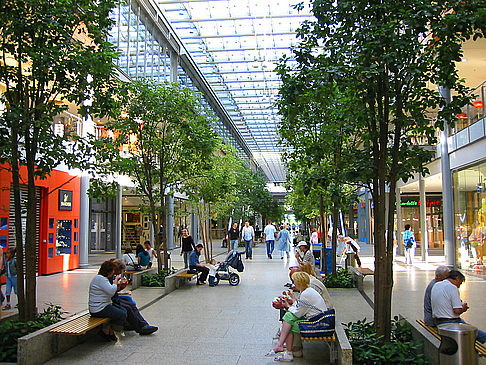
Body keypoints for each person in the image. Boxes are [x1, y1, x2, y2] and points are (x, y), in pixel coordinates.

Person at [268, 272, 327, 362]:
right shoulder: (307, 291)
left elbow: (298, 313)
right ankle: (286, 350)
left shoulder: (306, 294)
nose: (293, 284)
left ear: (299, 283)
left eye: (294, 282)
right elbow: (300, 307)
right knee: (290, 320)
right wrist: (291, 300)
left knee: (289, 319)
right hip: (318, 318)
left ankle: (284, 348)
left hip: (316, 322)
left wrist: (287, 305)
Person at [431, 269, 486, 343]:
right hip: (450, 322)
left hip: (438, 321)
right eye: (460, 283)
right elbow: (457, 311)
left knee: (468, 326)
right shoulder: (452, 287)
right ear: (457, 279)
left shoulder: (437, 285)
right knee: (482, 336)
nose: (459, 286)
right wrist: (464, 308)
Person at [110, 259, 158, 335]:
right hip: (109, 301)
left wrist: (121, 289)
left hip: (112, 298)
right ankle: (139, 328)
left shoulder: (111, 277)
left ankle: (142, 324)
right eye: (120, 271)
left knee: (130, 303)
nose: (120, 273)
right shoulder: (108, 278)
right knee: (128, 307)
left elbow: (112, 292)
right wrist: (117, 282)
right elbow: (111, 292)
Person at [89, 260, 127, 341]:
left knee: (123, 310)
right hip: (99, 308)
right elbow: (111, 291)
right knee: (122, 314)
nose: (113, 273)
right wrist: (116, 281)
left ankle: (109, 330)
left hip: (104, 305)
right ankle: (108, 331)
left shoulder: (102, 278)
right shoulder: (100, 279)